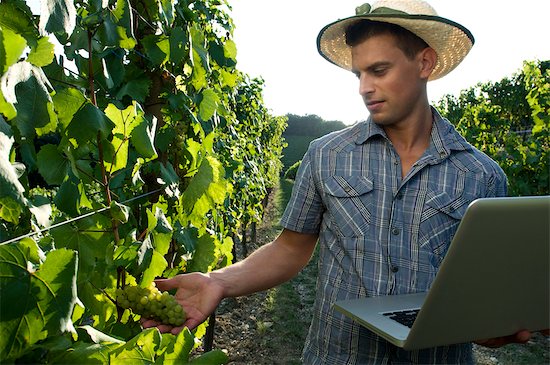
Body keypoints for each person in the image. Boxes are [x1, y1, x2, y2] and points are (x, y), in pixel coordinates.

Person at [143, 0, 541, 363]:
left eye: (379, 70)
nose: (365, 87)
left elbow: (481, 287)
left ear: (424, 63)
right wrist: (219, 281)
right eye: (359, 73)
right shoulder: (326, 154)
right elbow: (290, 249)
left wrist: (493, 325)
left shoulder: (482, 176)